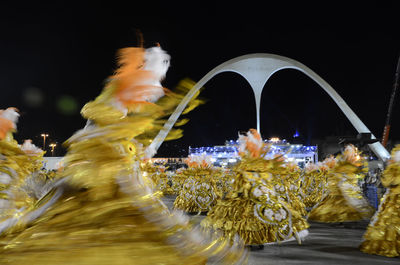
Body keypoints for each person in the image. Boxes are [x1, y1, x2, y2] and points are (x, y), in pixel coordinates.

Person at [0, 45, 247, 264]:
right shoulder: (125, 86)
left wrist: (136, 141)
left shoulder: (140, 90)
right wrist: (123, 130)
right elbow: (95, 115)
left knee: (125, 201)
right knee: (122, 199)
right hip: (101, 154)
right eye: (162, 62)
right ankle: (188, 244)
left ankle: (185, 243)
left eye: (165, 62)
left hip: (108, 154)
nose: (164, 66)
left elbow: (115, 121)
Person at [201, 129, 309, 248]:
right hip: (245, 200)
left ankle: (256, 241)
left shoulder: (250, 168)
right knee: (247, 223)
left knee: (257, 221)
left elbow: (254, 184)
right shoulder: (250, 168)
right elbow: (241, 185)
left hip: (255, 198)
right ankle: (251, 241)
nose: (253, 172)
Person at [308, 144, 374, 223]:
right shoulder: (341, 162)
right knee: (338, 204)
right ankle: (340, 219)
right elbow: (334, 173)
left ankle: (347, 219)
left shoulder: (350, 163)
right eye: (349, 153)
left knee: (349, 203)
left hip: (348, 186)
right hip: (340, 187)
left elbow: (361, 170)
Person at [359, 145, 400, 257]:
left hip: (394, 199)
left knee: (390, 223)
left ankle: (391, 246)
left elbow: (387, 181)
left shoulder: (394, 168)